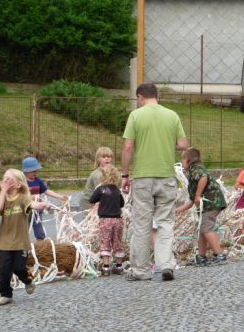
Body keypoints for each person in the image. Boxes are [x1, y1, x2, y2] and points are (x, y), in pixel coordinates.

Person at [121, 83, 189, 282]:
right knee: (166, 222)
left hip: (143, 177)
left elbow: (127, 146)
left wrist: (125, 174)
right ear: (157, 96)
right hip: (166, 176)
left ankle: (140, 271)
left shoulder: (136, 116)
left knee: (141, 224)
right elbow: (184, 144)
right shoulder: (172, 115)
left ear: (140, 97)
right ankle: (166, 264)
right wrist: (168, 143)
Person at [0, 169, 51, 306]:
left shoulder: (23, 197)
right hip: (5, 241)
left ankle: (28, 280)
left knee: (19, 268)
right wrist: (3, 191)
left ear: (18, 185)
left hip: (20, 242)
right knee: (3, 271)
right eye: (4, 179)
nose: (5, 182)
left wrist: (41, 205)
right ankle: (6, 294)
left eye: (9, 180)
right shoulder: (3, 198)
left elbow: (31, 204)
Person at [176, 148, 227, 266]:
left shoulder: (196, 169)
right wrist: (179, 210)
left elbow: (203, 177)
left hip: (211, 203)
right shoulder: (194, 172)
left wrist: (198, 195)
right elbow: (192, 200)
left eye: (182, 160)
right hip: (210, 204)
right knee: (201, 230)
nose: (182, 163)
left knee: (207, 228)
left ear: (188, 160)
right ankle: (201, 256)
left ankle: (219, 254)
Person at [88, 165, 126, 276]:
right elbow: (122, 204)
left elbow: (91, 200)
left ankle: (106, 267)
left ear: (102, 177)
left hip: (105, 220)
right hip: (118, 220)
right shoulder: (117, 191)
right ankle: (119, 267)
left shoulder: (101, 189)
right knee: (117, 242)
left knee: (105, 242)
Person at [21, 156, 69, 241]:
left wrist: (60, 196)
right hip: (26, 211)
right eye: (33, 171)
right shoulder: (22, 182)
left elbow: (47, 191)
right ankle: (22, 247)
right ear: (26, 171)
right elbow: (21, 196)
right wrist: (33, 197)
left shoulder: (38, 180)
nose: (35, 173)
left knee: (39, 231)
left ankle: (40, 244)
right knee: (23, 230)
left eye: (36, 170)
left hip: (37, 211)